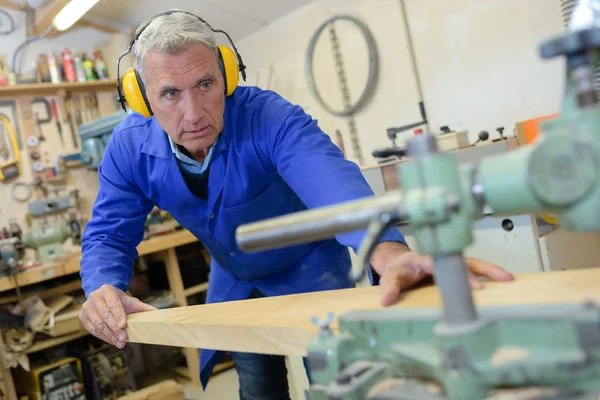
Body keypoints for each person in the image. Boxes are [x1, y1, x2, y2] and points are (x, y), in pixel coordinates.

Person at [78, 10, 514, 399]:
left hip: (310, 271)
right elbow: (108, 233)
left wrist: (390, 254)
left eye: (205, 84)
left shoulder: (271, 118)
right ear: (140, 98)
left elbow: (334, 187)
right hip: (235, 281)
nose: (193, 113)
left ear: (227, 76)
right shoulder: (128, 148)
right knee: (258, 387)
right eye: (170, 93)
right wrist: (102, 287)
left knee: (339, 379)